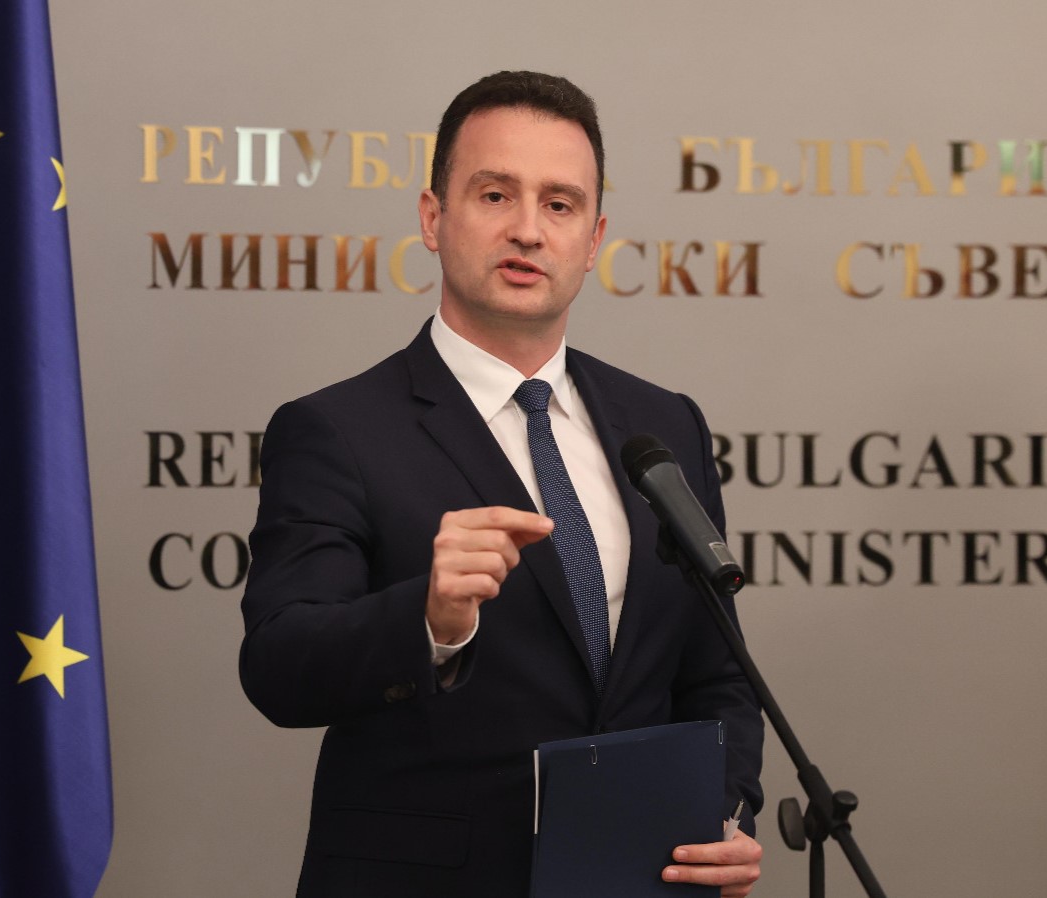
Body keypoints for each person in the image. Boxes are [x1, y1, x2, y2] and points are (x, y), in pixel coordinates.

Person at [240, 70, 764, 897]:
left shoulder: (663, 425)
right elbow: (278, 667)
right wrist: (429, 619)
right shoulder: (336, 430)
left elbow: (716, 672)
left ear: (593, 239)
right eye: (494, 195)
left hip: (638, 880)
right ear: (432, 217)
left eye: (559, 204)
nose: (527, 229)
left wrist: (725, 814)